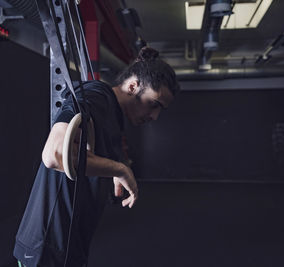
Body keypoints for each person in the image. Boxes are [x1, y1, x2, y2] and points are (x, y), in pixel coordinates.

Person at [13, 47, 180, 267]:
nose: (154, 116)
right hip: (46, 247)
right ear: (132, 86)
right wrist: (120, 169)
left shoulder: (114, 116)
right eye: (154, 104)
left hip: (70, 246)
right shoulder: (97, 96)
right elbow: (55, 155)